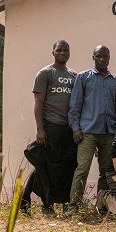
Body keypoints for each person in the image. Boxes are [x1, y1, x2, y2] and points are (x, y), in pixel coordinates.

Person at [23, 40, 77, 216]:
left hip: (69, 128)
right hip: (51, 126)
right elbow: (38, 102)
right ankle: (47, 205)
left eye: (65, 50)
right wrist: (40, 128)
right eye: (59, 50)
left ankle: (64, 203)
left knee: (67, 167)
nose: (62, 53)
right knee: (47, 167)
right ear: (53, 52)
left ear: (69, 52)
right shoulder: (45, 73)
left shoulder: (74, 76)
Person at [68, 45, 116, 210]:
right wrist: (75, 128)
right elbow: (74, 105)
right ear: (93, 57)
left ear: (109, 58)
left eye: (105, 56)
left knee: (105, 171)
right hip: (87, 132)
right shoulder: (83, 77)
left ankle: (101, 205)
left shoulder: (115, 80)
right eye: (99, 56)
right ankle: (74, 206)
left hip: (109, 132)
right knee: (82, 169)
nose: (102, 59)